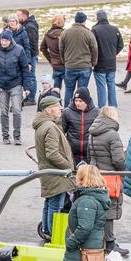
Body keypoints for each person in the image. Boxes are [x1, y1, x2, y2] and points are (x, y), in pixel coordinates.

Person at [35, 94, 77, 240]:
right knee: (56, 206)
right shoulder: (50, 127)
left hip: (49, 172)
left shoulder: (44, 125)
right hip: (57, 174)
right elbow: (52, 154)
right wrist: (68, 167)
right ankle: (54, 234)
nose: (60, 108)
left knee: (49, 202)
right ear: (48, 110)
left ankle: (47, 231)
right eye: (56, 107)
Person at [61, 11, 98, 106]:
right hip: (85, 66)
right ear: (84, 21)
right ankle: (79, 110)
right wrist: (93, 62)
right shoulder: (88, 33)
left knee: (69, 90)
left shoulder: (65, 33)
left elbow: (61, 48)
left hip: (70, 65)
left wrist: (64, 61)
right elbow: (94, 49)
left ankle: (67, 109)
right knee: (82, 91)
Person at [91, 9, 123, 108]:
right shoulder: (115, 29)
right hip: (111, 62)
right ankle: (113, 106)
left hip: (100, 63)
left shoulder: (95, 30)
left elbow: (92, 47)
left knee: (101, 86)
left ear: (98, 18)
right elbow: (120, 45)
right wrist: (113, 54)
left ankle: (102, 107)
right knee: (111, 85)